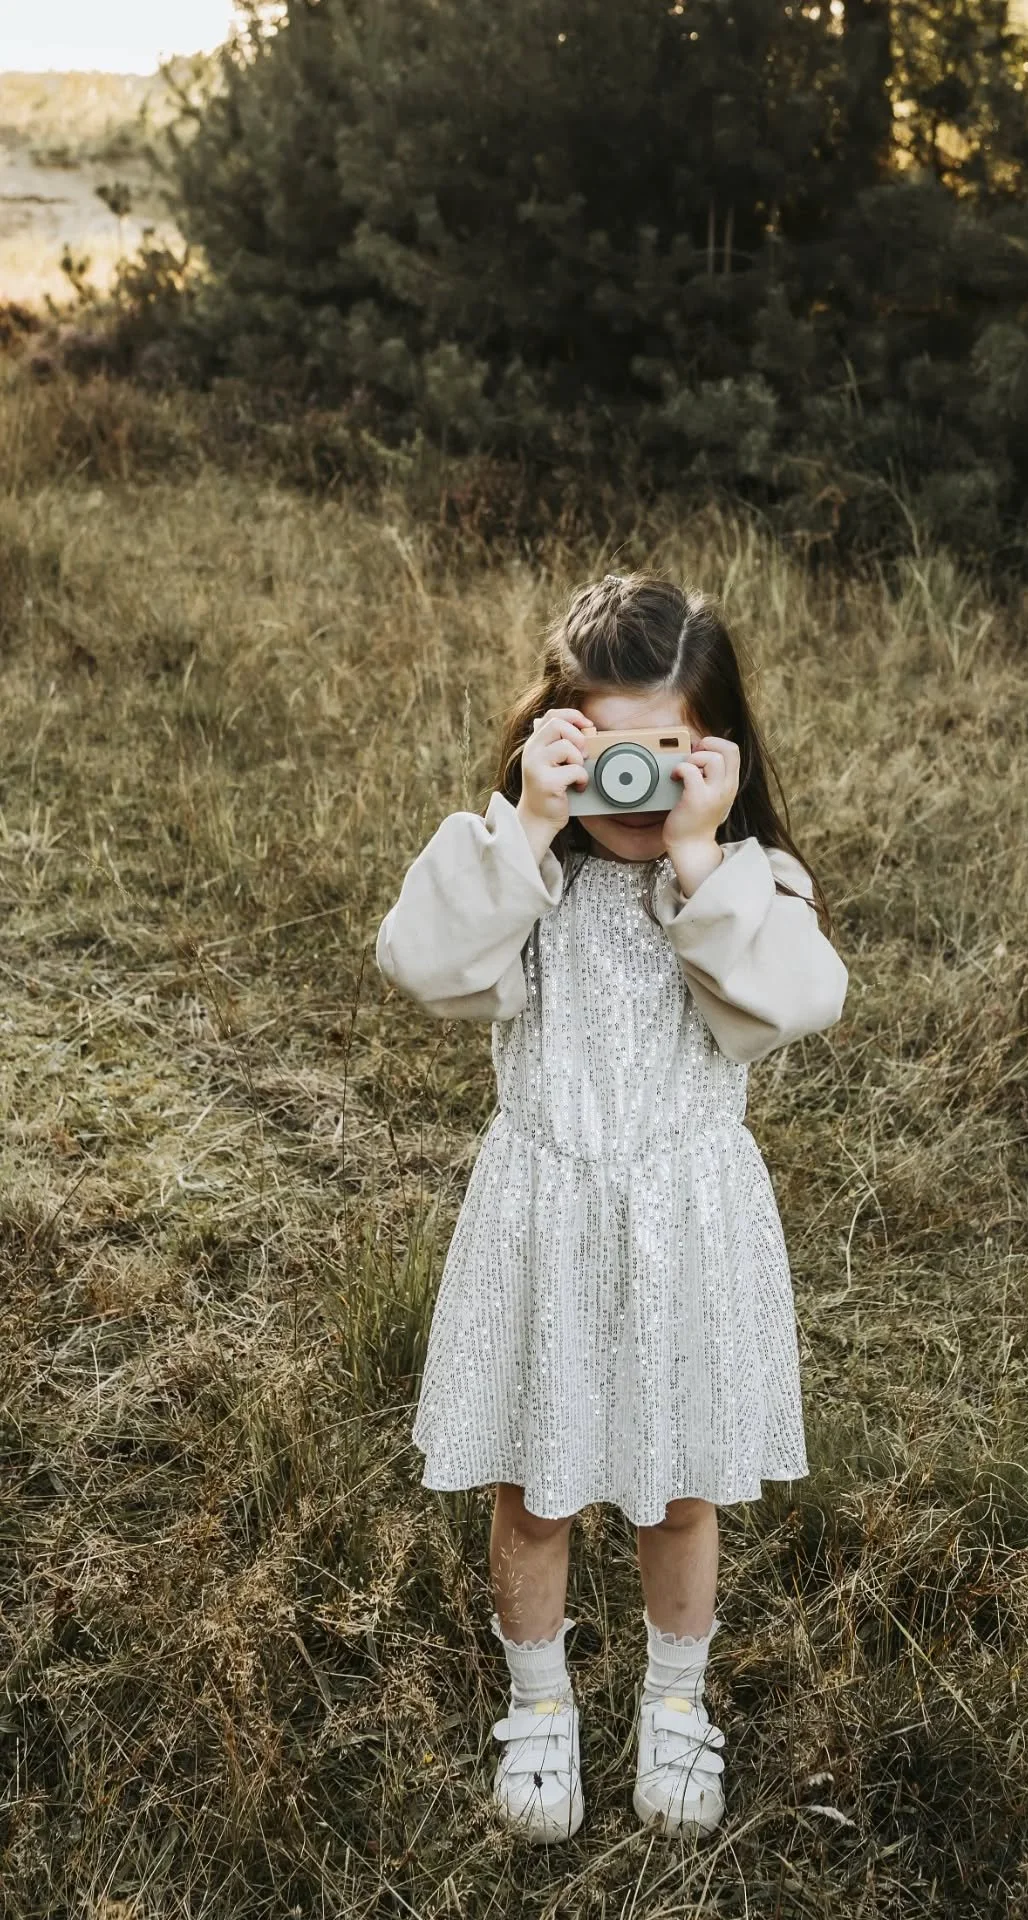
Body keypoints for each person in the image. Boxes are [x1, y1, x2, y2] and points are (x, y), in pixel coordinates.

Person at [373, 568, 848, 1843]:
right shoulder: (527, 879)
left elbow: (798, 1002)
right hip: (547, 1217)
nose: (633, 792)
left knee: (676, 1486)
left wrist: (702, 859)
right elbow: (420, 962)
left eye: (669, 756)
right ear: (556, 738)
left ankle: (676, 1702)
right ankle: (538, 1709)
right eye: (607, 755)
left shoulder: (746, 885)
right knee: (534, 1486)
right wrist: (525, 822)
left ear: (719, 755)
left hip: (685, 1226)